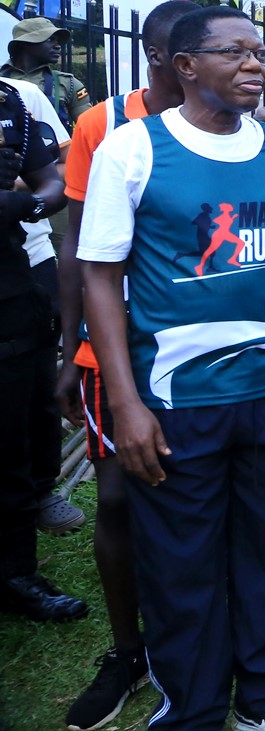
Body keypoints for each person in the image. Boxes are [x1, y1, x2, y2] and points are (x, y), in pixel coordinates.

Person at [79, 6, 265, 731]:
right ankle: (194, 707)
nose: (255, 63)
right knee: (182, 560)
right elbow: (100, 277)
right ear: (185, 64)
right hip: (179, 399)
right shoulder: (133, 149)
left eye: (260, 51)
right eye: (234, 51)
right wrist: (125, 402)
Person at [53, 0, 197, 730]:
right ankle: (127, 648)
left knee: (194, 491)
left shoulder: (232, 125)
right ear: (158, 57)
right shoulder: (99, 125)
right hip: (111, 351)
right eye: (171, 58)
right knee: (115, 498)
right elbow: (79, 251)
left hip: (196, 350)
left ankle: (202, 634)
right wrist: (67, 347)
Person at [0, 84, 76, 623]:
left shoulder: (11, 104)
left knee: (17, 435)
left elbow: (55, 180)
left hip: (11, 285)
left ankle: (15, 575)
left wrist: (23, 202)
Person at [3, 12, 91, 133]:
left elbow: (91, 130)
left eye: (58, 41)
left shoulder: (68, 84)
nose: (58, 46)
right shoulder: (2, 80)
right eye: (50, 39)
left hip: (55, 150)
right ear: (25, 44)